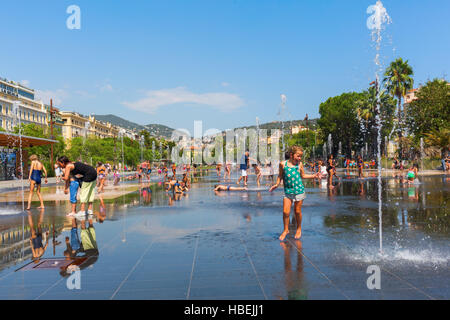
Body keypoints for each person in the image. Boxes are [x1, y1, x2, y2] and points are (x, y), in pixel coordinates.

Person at [269, 145, 320, 241]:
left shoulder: (299, 165)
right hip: (288, 191)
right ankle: (285, 230)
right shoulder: (283, 164)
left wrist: (314, 176)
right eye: (298, 156)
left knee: (297, 211)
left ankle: (299, 228)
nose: (300, 158)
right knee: (285, 212)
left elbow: (303, 176)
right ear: (292, 155)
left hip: (299, 191)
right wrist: (276, 184)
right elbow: (280, 176)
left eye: (301, 156)